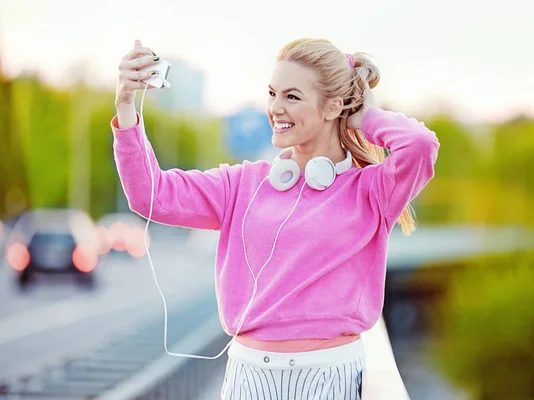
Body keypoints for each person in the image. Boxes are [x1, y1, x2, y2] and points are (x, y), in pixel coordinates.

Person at [111, 38, 440, 399]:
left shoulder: (371, 190)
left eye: (292, 97)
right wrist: (125, 104)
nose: (275, 108)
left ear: (332, 106)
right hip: (248, 376)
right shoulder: (240, 184)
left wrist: (363, 116)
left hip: (329, 376)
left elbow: (420, 145)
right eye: (272, 93)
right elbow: (150, 196)